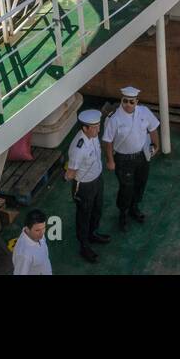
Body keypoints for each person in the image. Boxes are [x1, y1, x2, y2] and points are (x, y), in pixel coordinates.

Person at [102, 85, 159, 230]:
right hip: (123, 159)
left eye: (131, 102)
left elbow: (153, 128)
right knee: (126, 188)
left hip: (141, 156)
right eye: (125, 101)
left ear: (137, 101)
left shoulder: (144, 112)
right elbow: (107, 141)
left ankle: (134, 208)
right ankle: (123, 214)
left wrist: (155, 145)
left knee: (140, 183)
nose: (128, 104)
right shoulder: (113, 118)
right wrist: (110, 160)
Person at [66, 108, 110, 263]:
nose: (98, 129)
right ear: (84, 128)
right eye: (95, 127)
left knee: (97, 209)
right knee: (84, 216)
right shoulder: (78, 148)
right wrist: (70, 182)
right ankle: (84, 245)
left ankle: (93, 233)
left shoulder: (93, 136)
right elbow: (70, 173)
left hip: (97, 180)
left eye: (99, 125)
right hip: (84, 186)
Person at [12, 209, 52, 275]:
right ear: (27, 229)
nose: (42, 233)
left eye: (44, 228)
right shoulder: (24, 255)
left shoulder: (37, 234)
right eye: (37, 230)